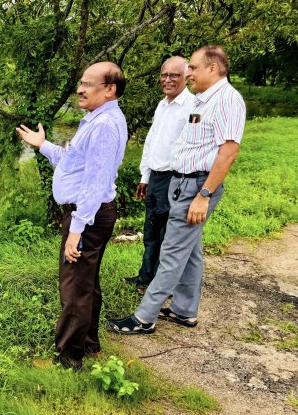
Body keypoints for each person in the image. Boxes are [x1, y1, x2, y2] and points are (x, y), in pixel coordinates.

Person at [108, 45, 245, 335]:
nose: (189, 73)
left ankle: (144, 318)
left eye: (193, 68)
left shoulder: (228, 100)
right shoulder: (204, 100)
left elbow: (228, 152)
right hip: (182, 183)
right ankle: (184, 311)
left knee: (170, 251)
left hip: (197, 185)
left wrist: (203, 195)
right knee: (190, 251)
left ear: (212, 68)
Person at [17, 62, 128, 369]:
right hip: (89, 215)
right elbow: (74, 164)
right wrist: (44, 146)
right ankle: (90, 346)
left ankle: (69, 359)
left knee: (75, 288)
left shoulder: (104, 126)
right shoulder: (97, 119)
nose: (80, 89)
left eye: (88, 84)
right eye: (81, 82)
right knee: (86, 283)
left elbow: (95, 182)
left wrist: (77, 229)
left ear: (109, 90)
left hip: (87, 216)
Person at [124, 57, 194, 295]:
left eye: (174, 75)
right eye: (164, 74)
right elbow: (152, 142)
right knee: (151, 230)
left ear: (187, 77)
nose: (168, 80)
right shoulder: (162, 104)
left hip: (173, 178)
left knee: (166, 234)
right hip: (155, 177)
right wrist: (145, 176)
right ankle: (145, 277)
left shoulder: (192, 107)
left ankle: (161, 285)